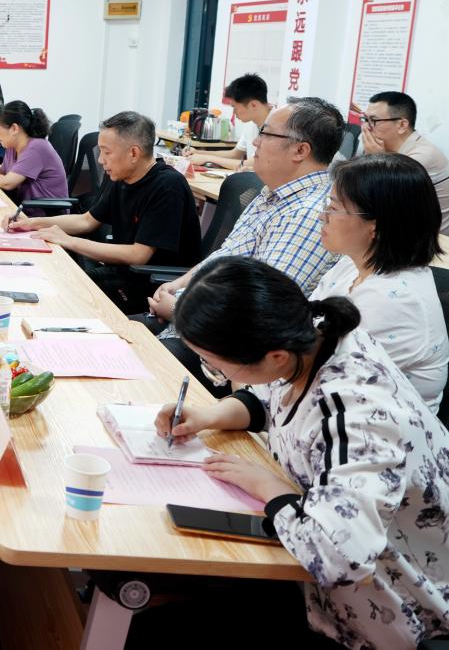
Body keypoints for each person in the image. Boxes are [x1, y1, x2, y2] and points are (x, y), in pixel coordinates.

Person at [157, 256, 449, 650]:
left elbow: (340, 557)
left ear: (274, 356)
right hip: (320, 557)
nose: (219, 373)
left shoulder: (359, 416)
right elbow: (272, 396)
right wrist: (210, 416)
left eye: (217, 364)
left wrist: (270, 489)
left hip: (397, 602)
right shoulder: (311, 339)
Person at [144, 99, 343, 394]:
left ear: (300, 151)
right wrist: (178, 285)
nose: (255, 143)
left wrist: (179, 309)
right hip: (195, 324)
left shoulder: (308, 215)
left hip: (226, 357)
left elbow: (260, 315)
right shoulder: (270, 194)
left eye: (265, 134)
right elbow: (226, 254)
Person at [4, 111, 201, 313]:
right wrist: (33, 223)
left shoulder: (167, 186)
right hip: (123, 274)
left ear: (134, 153)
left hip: (153, 290)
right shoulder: (123, 177)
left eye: (106, 152)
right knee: (52, 282)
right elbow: (86, 221)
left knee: (63, 300)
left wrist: (69, 241)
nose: (100, 160)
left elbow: (138, 255)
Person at [309, 152, 447, 409]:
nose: (322, 216)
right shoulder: (351, 265)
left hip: (372, 427)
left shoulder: (395, 300)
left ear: (376, 226)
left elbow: (315, 376)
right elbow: (300, 327)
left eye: (334, 208)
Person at [360, 91, 449, 232]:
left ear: (402, 125)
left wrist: (376, 160)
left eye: (374, 121)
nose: (366, 127)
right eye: (365, 120)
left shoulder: (422, 156)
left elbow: (378, 199)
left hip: (430, 237)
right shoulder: (383, 149)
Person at [185, 73, 273, 170]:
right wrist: (198, 152)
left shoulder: (277, 126)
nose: (234, 112)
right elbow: (235, 154)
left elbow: (253, 164)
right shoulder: (252, 122)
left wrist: (207, 158)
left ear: (253, 105)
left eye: (235, 107)